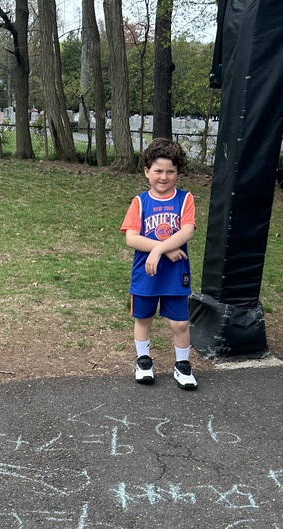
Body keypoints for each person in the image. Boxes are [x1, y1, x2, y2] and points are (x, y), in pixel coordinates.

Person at [120, 138, 198, 389]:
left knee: (180, 322)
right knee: (143, 318)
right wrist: (162, 251)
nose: (164, 177)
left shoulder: (185, 199)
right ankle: (144, 361)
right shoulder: (140, 202)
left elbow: (186, 232)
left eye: (170, 172)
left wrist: (159, 250)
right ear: (147, 172)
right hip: (146, 272)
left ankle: (182, 365)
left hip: (175, 273)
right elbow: (131, 238)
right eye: (158, 171)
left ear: (177, 173)